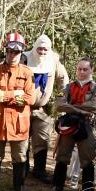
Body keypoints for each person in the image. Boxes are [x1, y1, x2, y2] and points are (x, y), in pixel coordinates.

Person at [0, 32, 37, 191]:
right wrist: (16, 94)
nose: (13, 55)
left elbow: (31, 99)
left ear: (21, 53)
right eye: (10, 51)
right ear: (6, 51)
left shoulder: (27, 73)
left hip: (19, 123)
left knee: (19, 157)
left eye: (17, 52)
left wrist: (4, 95)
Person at [50, 59, 96, 191]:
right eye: (79, 69)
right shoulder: (68, 87)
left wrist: (71, 106)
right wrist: (80, 110)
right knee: (62, 156)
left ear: (91, 70)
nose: (82, 72)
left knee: (87, 159)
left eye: (85, 69)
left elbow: (94, 105)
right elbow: (59, 105)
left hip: (86, 125)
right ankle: (57, 187)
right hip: (69, 124)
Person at [23, 35, 69, 183]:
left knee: (42, 139)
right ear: (35, 47)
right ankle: (22, 168)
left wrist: (62, 99)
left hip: (43, 108)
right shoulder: (24, 58)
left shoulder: (54, 60)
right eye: (40, 48)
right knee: (22, 138)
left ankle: (39, 170)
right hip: (23, 107)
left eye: (45, 49)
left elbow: (63, 79)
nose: (42, 52)